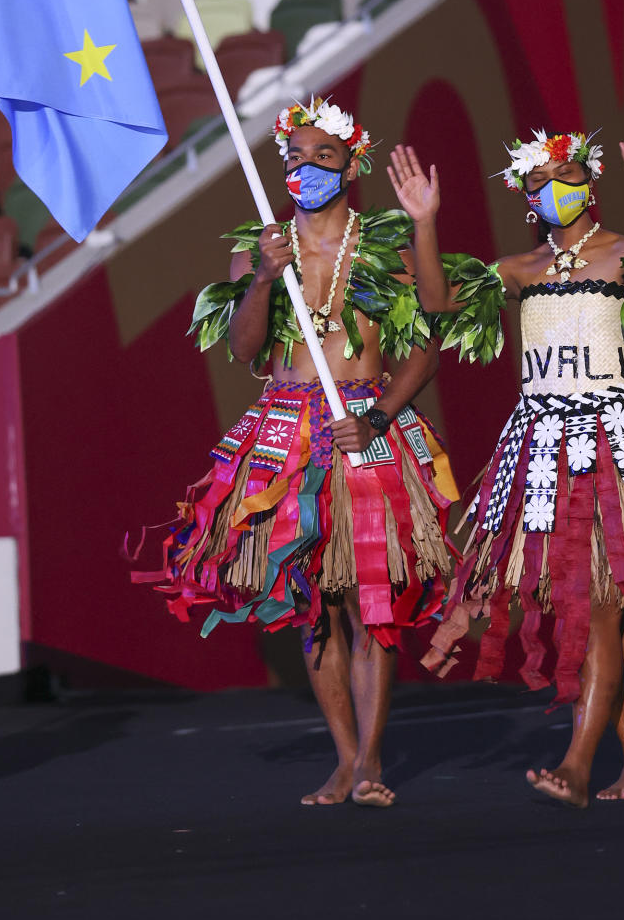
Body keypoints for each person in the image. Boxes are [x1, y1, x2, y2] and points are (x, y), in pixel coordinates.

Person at [388, 115, 624, 808]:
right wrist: (424, 222)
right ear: (525, 198)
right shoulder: (517, 271)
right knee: (580, 599)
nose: (554, 189)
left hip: (617, 442)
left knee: (599, 604)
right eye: (540, 182)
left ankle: (578, 764)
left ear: (592, 184)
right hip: (543, 446)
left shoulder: (622, 252)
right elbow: (437, 302)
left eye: (567, 176)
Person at [132, 96, 457, 808]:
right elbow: (246, 352)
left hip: (367, 423)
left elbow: (433, 331)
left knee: (373, 596)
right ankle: (345, 759)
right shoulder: (262, 244)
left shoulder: (383, 242)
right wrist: (259, 279)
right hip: (286, 431)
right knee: (312, 603)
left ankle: (372, 760)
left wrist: (381, 418)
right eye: (295, 158)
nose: (305, 168)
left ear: (352, 165)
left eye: (323, 157)